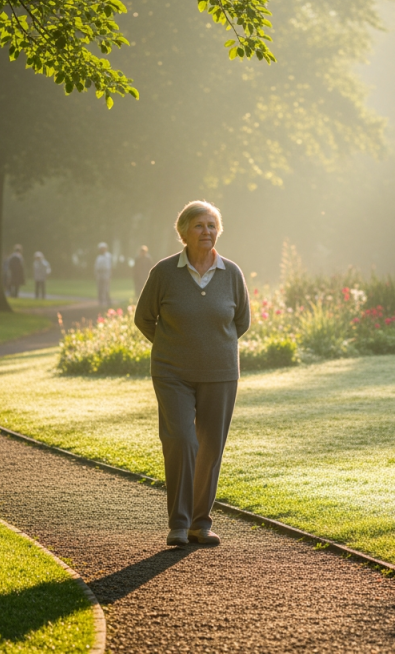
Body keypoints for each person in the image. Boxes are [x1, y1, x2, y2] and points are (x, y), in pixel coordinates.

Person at [134, 201, 249, 547]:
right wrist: (174, 347)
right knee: (182, 440)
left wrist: (213, 348)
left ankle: (201, 522)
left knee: (211, 448)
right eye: (199, 225)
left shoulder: (232, 273)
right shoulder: (164, 273)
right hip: (172, 373)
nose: (207, 232)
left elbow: (240, 321)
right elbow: (144, 318)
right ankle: (179, 523)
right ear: (183, 232)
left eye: (212, 225)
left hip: (221, 373)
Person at [94, 242, 112, 307]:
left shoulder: (108, 256)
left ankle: (108, 301)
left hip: (106, 274)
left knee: (106, 288)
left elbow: (108, 266)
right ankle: (100, 301)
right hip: (99, 275)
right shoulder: (99, 257)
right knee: (100, 288)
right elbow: (96, 266)